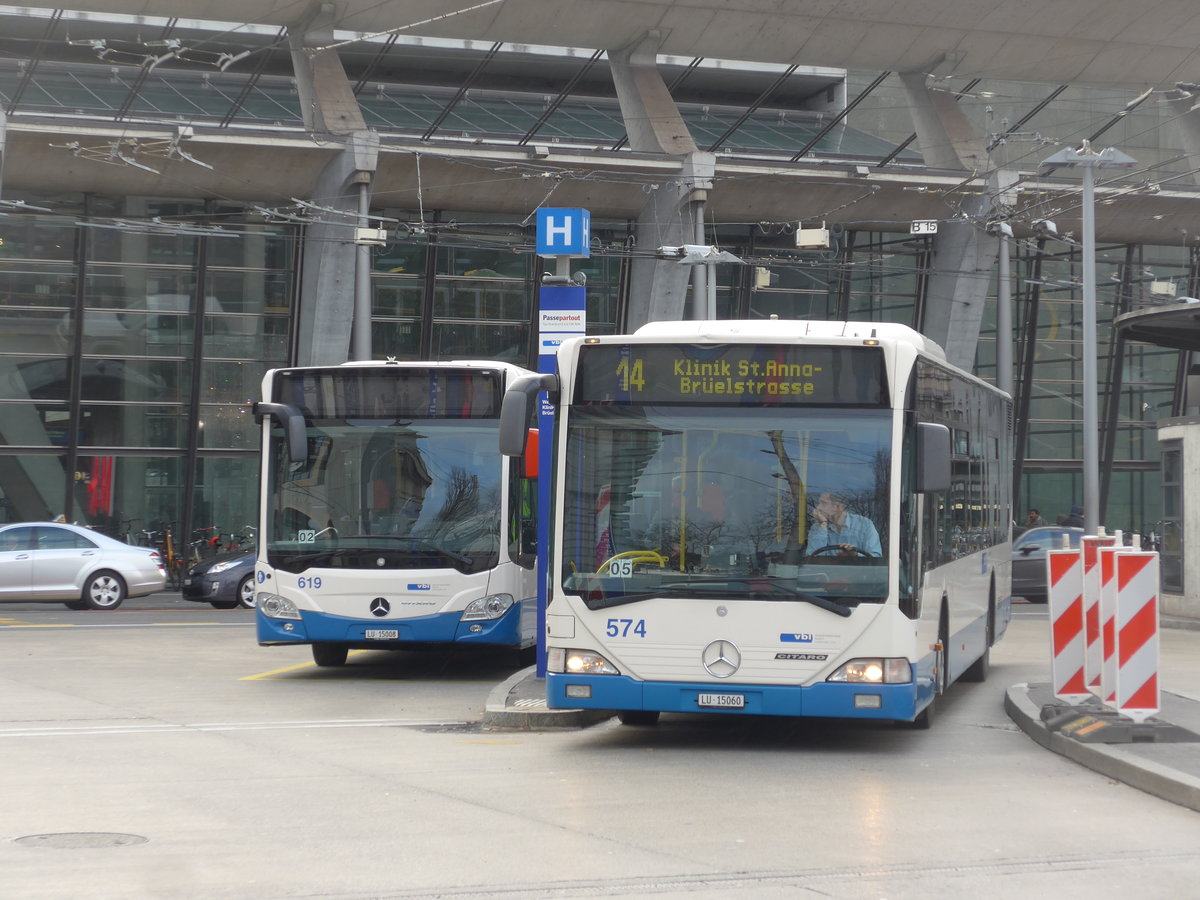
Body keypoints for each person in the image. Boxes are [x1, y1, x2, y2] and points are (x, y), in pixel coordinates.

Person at [804, 491, 882, 557]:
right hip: (825, 574)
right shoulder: (817, 527)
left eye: (823, 503)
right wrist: (823, 526)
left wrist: (855, 554)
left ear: (836, 507)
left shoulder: (864, 524)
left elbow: (875, 556)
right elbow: (812, 558)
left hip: (859, 574)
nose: (818, 507)